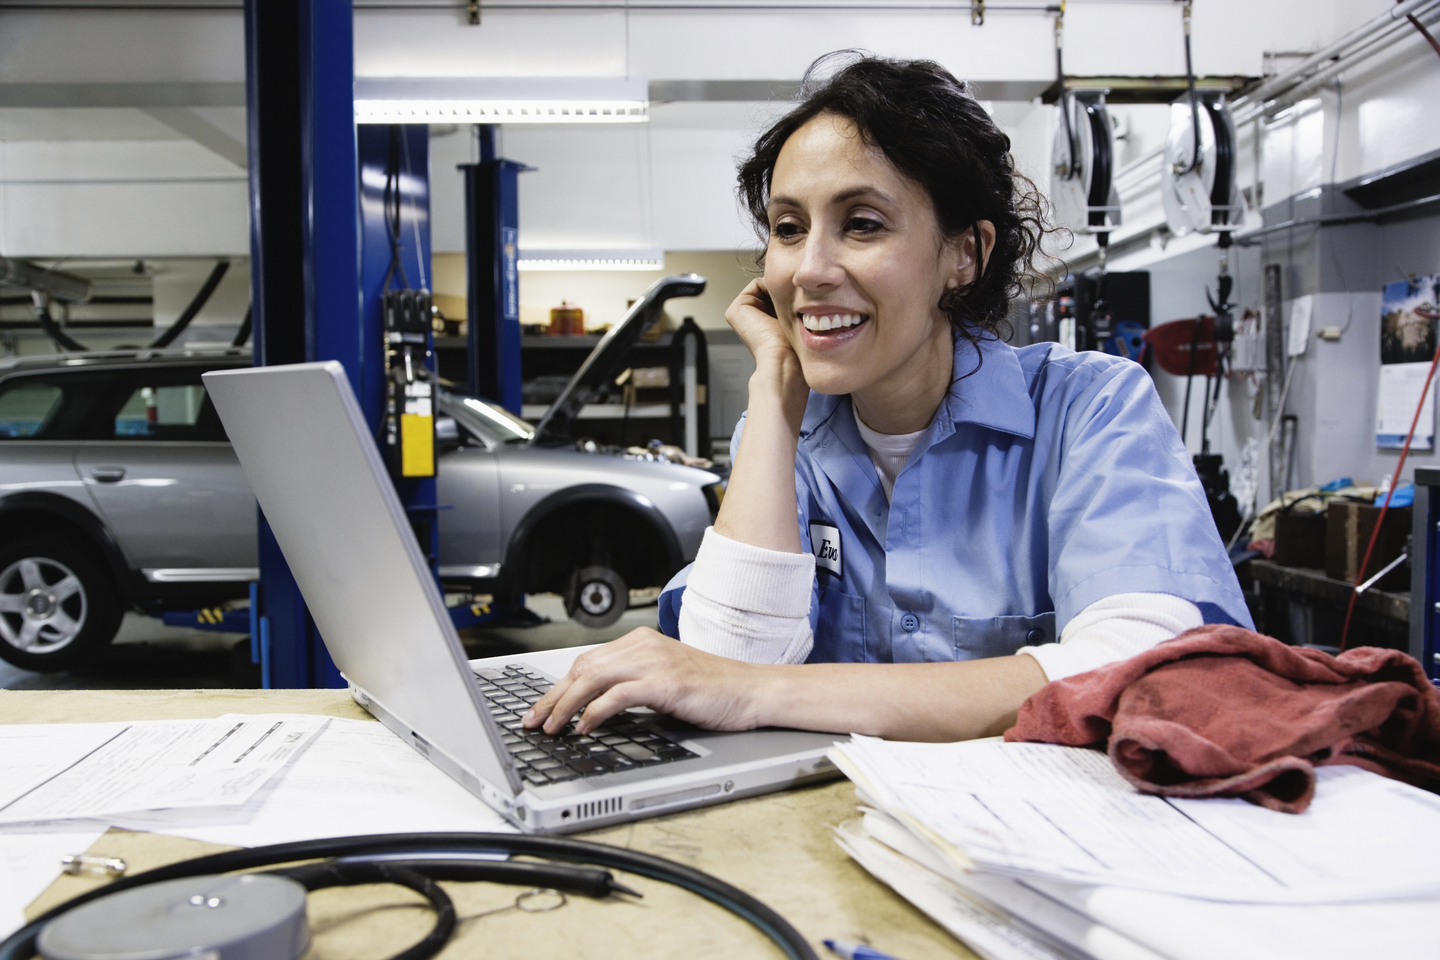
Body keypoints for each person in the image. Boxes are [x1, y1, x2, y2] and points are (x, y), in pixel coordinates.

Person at [524, 53, 1251, 743]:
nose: (809, 270)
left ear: (964, 255)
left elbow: (1140, 670)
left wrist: (760, 693)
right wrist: (776, 386)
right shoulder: (783, 434)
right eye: (787, 228)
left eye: (862, 224)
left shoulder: (1089, 410)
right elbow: (725, 658)